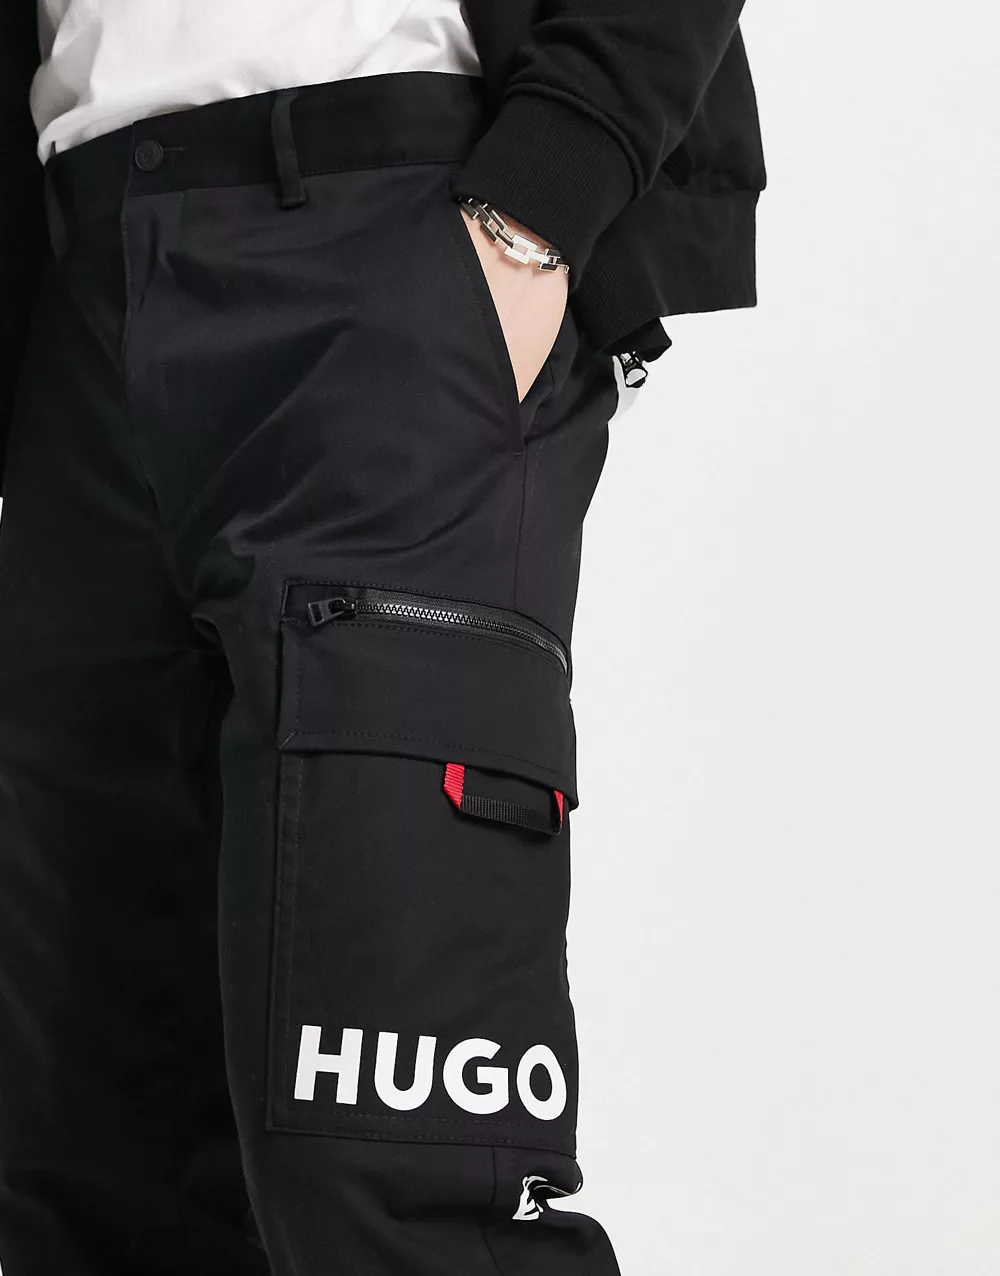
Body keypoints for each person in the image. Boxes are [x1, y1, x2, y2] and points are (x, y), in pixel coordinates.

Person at [0, 2, 765, 1272]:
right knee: (93, 1172)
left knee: (391, 1165)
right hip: (80, 285)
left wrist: (540, 204)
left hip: (397, 234)